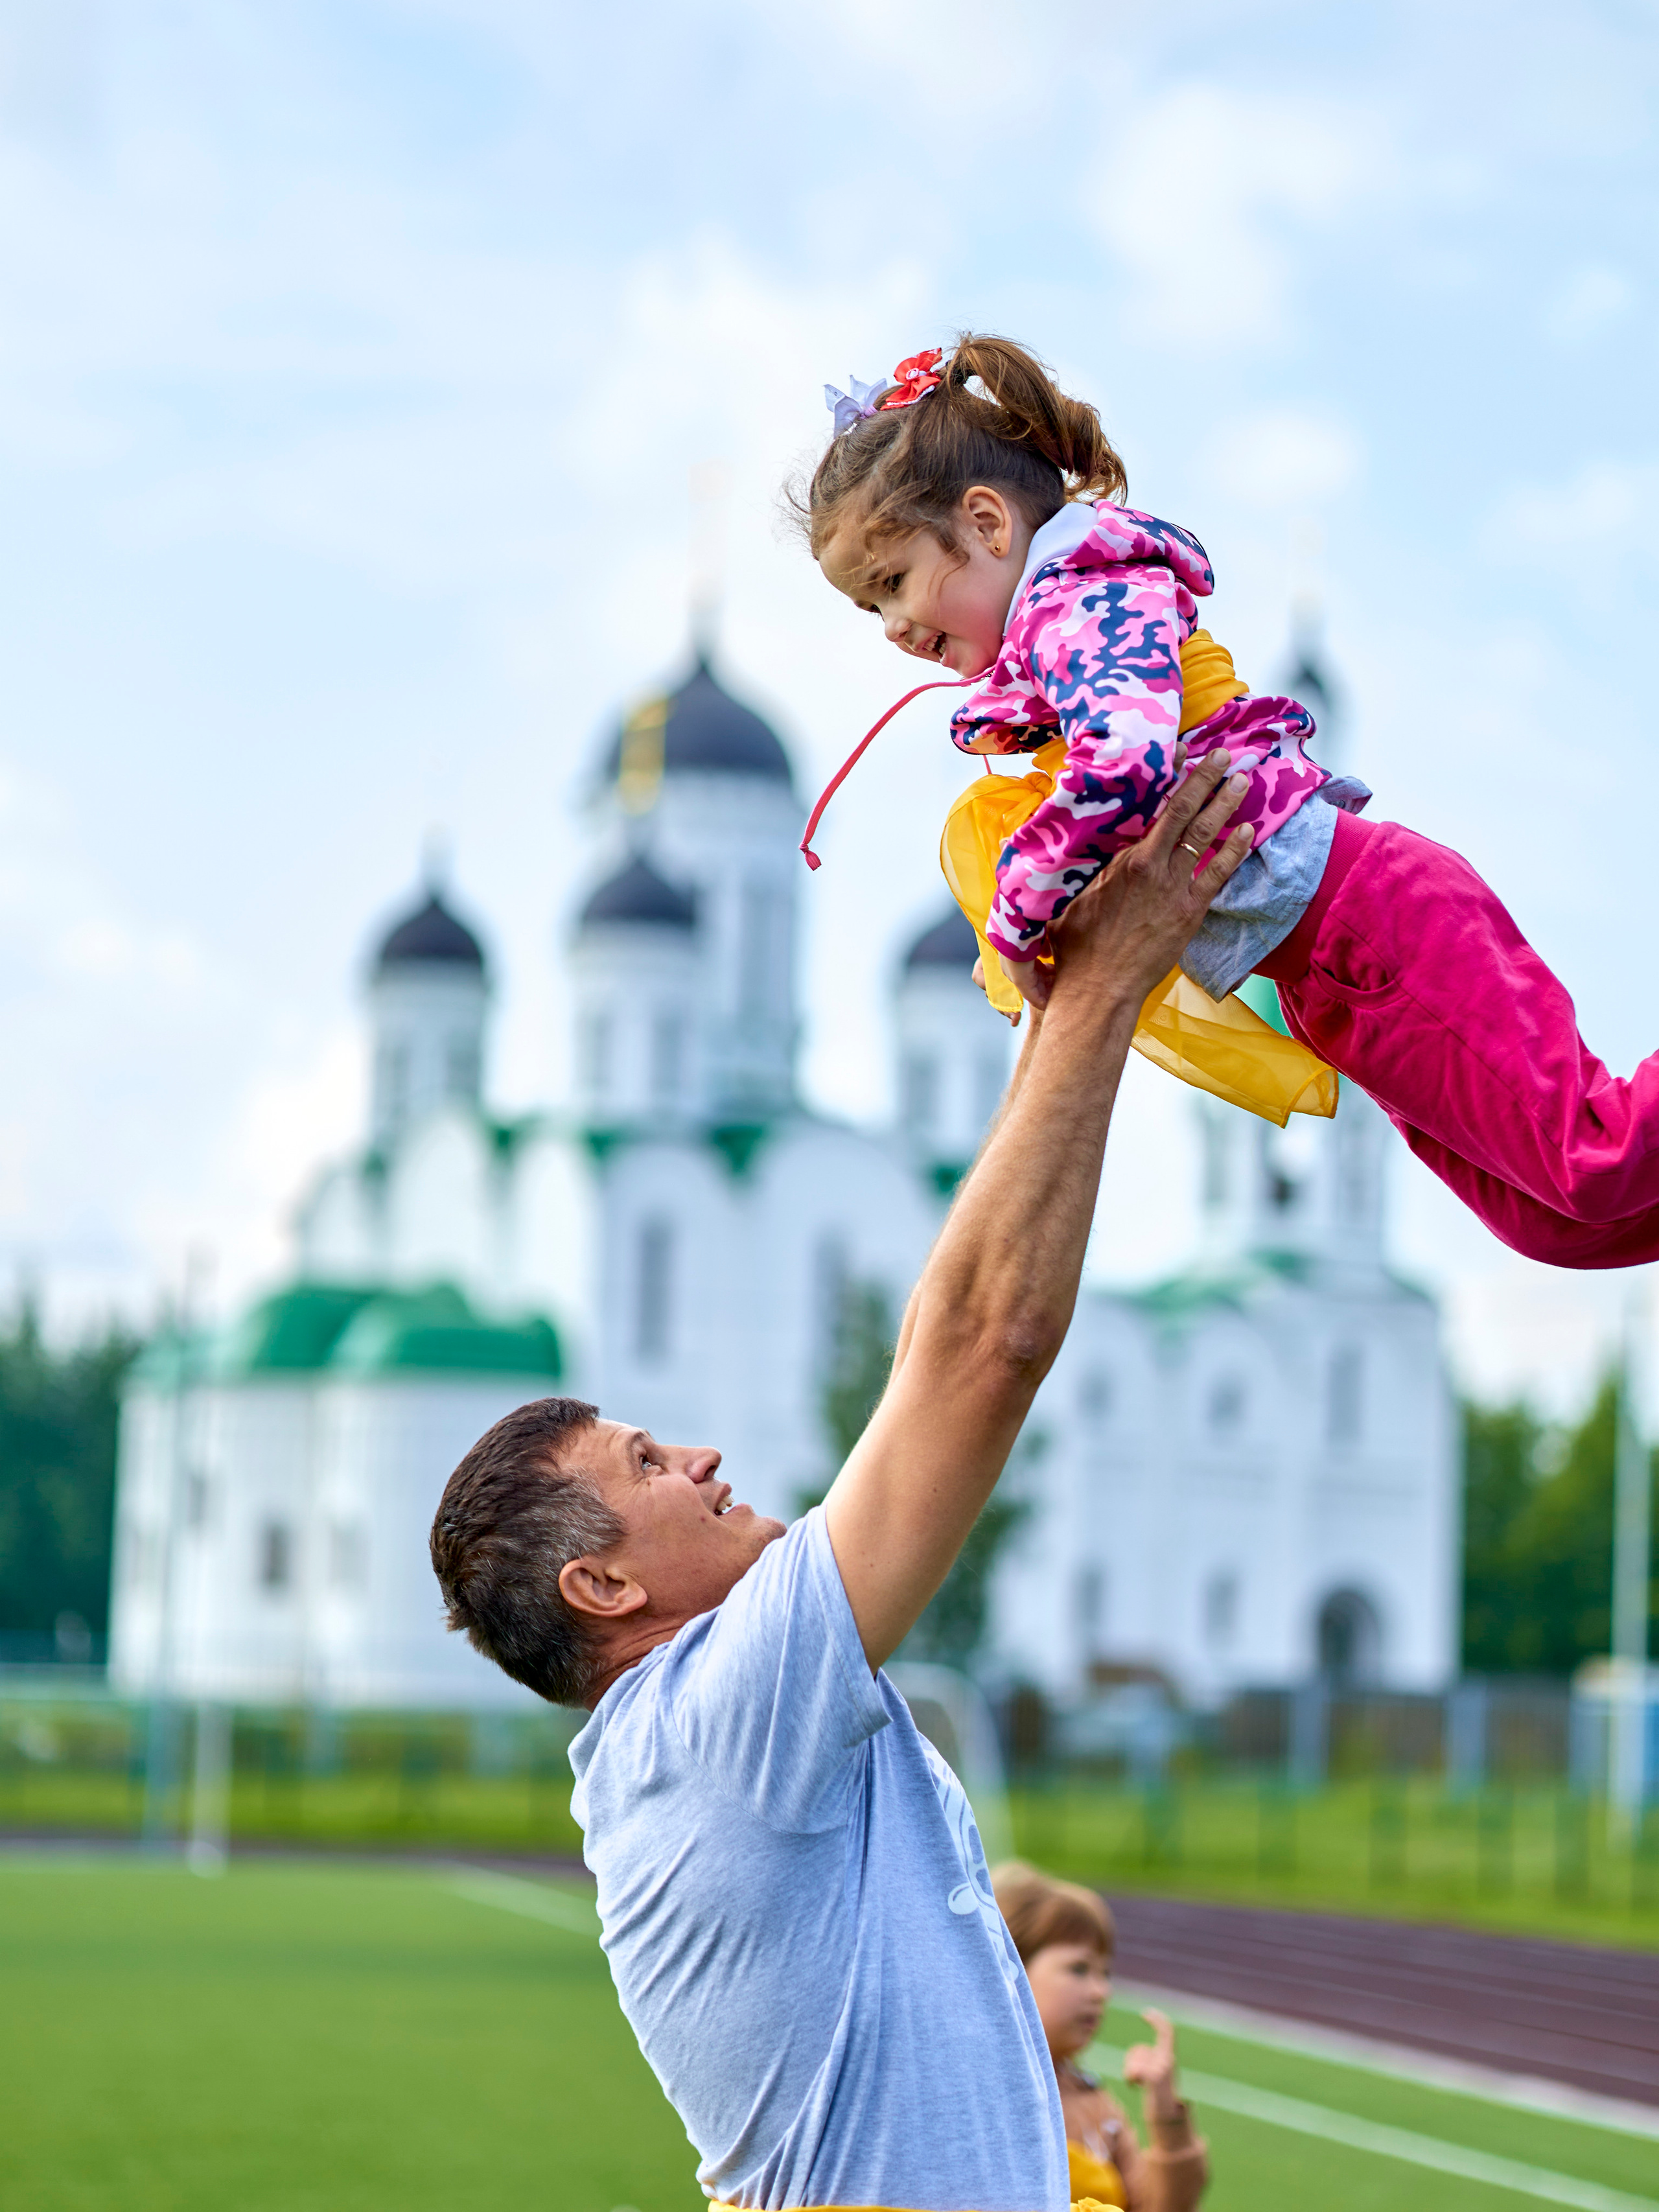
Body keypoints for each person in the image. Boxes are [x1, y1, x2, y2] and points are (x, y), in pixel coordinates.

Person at [427, 750, 1252, 2212]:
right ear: (601, 1583)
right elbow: (982, 1344)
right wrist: (1103, 988)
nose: (701, 1454)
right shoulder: (713, 1711)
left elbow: (961, 1332)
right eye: (646, 1462)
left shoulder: (710, 1728)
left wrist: (1051, 1006)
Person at [800, 333, 1659, 1270]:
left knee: (1593, 1164)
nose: (891, 628)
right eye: (868, 608)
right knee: (1555, 1223)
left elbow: (1123, 766)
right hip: (1322, 969)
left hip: (1369, 919)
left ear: (986, 524)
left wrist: (1019, 907)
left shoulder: (1080, 602)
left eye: (892, 583)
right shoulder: (1056, 631)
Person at [992, 1863, 1207, 2212]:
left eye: (1105, 1973)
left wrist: (1167, 2115)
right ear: (1010, 1970)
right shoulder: (976, 2093)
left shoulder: (1096, 2104)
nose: (1100, 1991)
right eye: (1079, 1969)